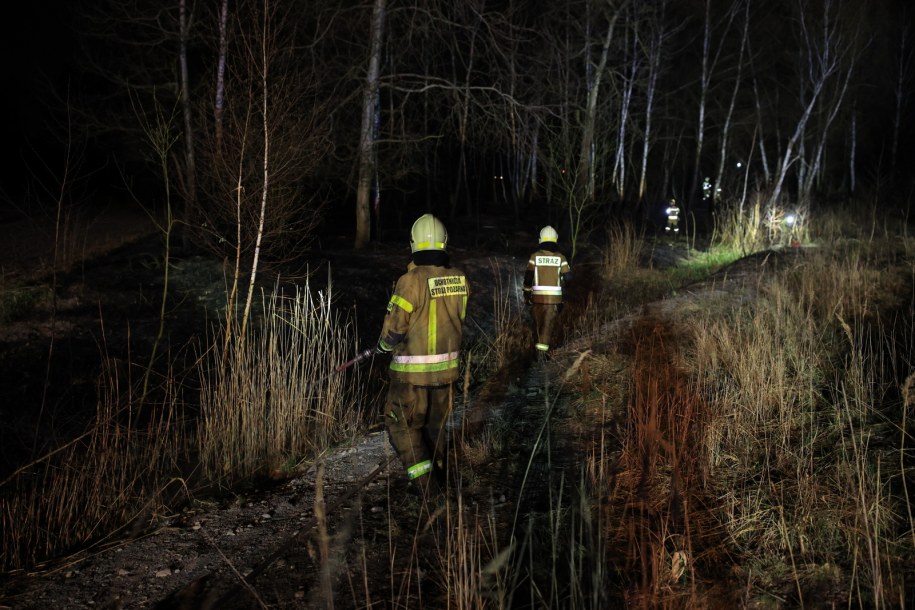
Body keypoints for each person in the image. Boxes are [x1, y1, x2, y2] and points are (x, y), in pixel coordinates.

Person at [376, 213, 469, 503]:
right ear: (444, 242)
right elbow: (460, 318)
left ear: (413, 243)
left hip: (411, 377)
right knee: (435, 431)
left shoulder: (410, 280)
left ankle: (429, 491)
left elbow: (395, 327)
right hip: (447, 374)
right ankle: (438, 480)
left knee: (401, 427)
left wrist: (382, 347)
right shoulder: (458, 278)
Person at [522, 225, 571, 356]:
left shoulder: (535, 256)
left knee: (538, 324)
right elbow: (569, 278)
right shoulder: (561, 258)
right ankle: (542, 355)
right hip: (554, 300)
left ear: (541, 240)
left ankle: (536, 352)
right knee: (547, 326)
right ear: (556, 239)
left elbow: (528, 276)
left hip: (537, 298)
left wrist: (526, 291)